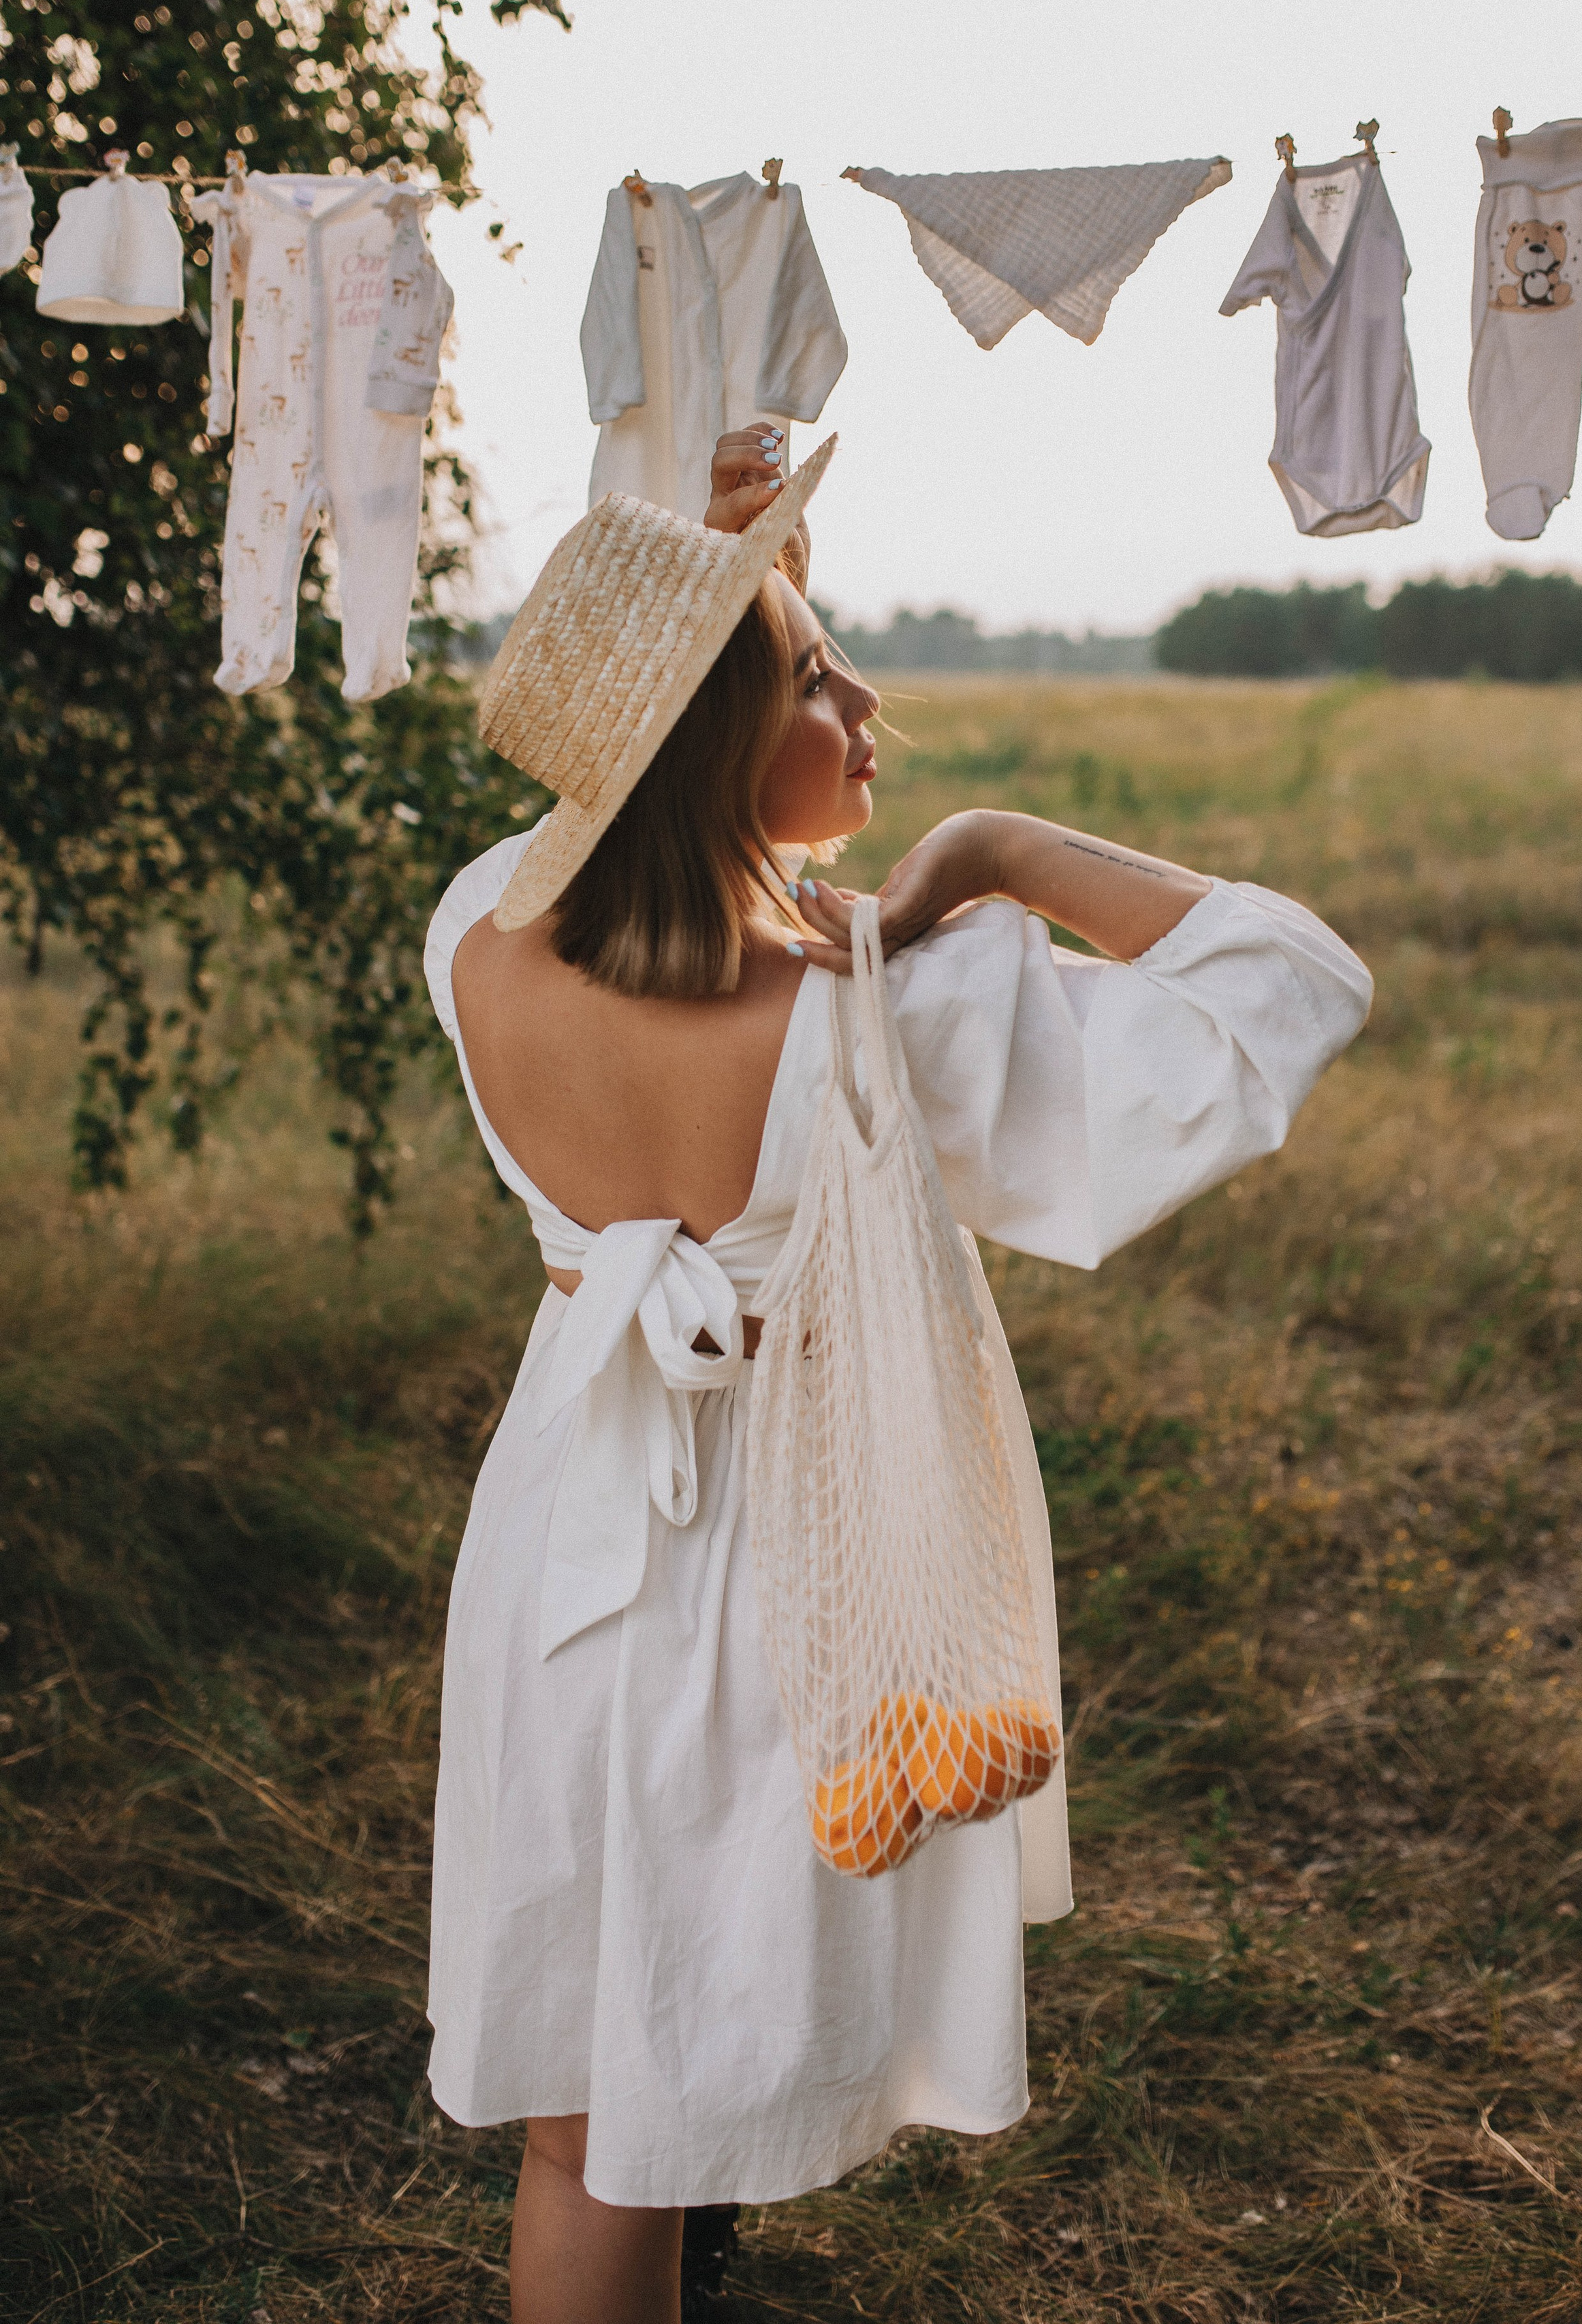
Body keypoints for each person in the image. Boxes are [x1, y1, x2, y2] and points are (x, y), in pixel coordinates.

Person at [422, 427, 1373, 2324]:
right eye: (813, 679)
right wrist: (991, 855)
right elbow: (1288, 980)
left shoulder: (475, 933)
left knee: (586, 2108)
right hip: (795, 1559)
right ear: (705, 751)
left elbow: (633, 804)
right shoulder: (888, 1014)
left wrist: (715, 593)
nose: (871, 702)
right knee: (680, 2064)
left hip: (561, 1548)